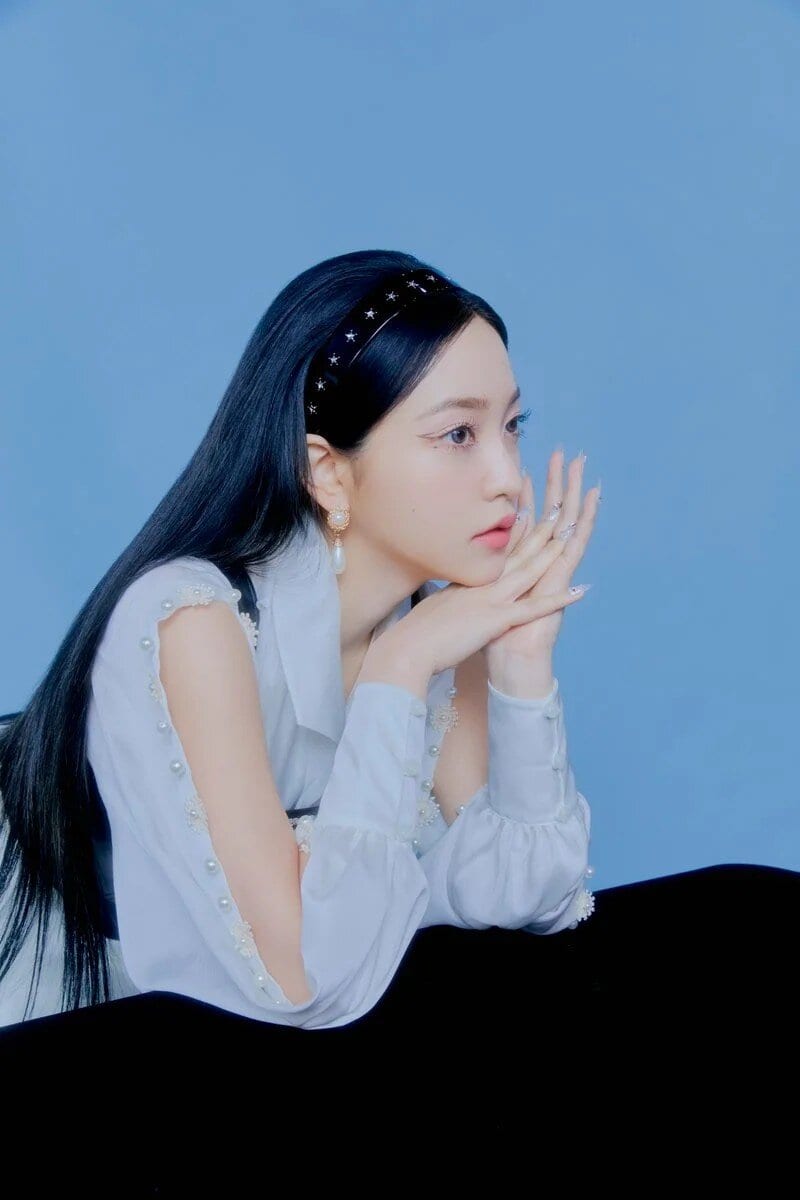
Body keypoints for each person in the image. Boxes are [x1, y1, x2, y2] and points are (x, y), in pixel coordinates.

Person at [0, 250, 796, 1039]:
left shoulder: (438, 625)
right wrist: (398, 669)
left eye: (512, 427)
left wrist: (521, 660)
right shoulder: (191, 620)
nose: (507, 477)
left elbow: (531, 899)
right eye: (458, 434)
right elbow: (301, 980)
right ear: (327, 473)